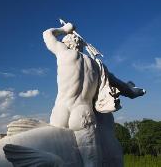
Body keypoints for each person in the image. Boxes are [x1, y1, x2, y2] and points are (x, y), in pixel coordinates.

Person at [43, 22, 145, 167]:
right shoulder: (98, 66)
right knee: (91, 162)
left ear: (66, 43)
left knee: (55, 152)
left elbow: (47, 34)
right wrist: (133, 91)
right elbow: (122, 86)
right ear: (81, 45)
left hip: (60, 109)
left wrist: (64, 29)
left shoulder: (64, 53)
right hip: (82, 111)